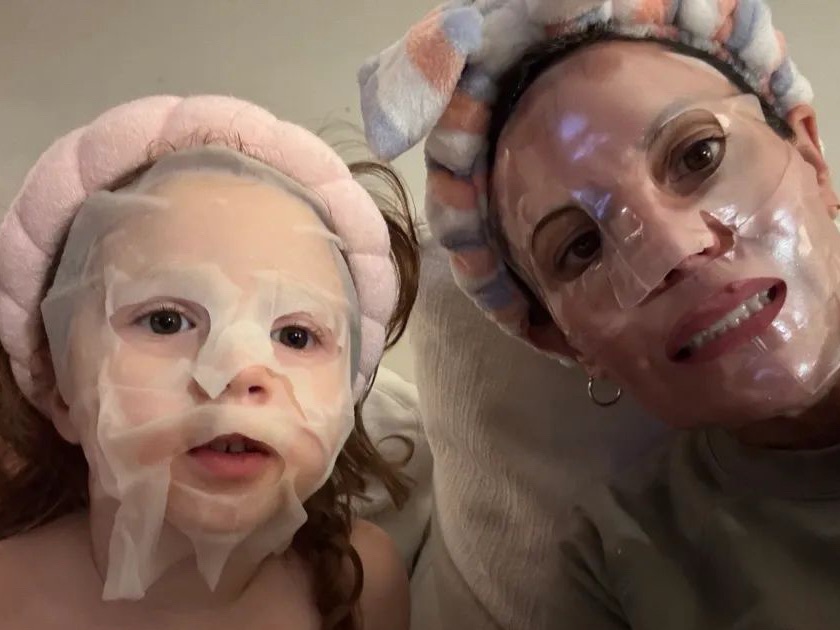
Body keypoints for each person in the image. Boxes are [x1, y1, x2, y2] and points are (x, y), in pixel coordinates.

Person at [360, 1, 840, 628]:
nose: (674, 251)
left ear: (810, 153)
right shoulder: (621, 561)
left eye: (698, 155)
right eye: (582, 248)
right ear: (565, 342)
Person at [0, 95, 418, 630]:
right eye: (166, 321)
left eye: (295, 335)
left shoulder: (363, 582)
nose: (238, 371)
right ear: (58, 387)